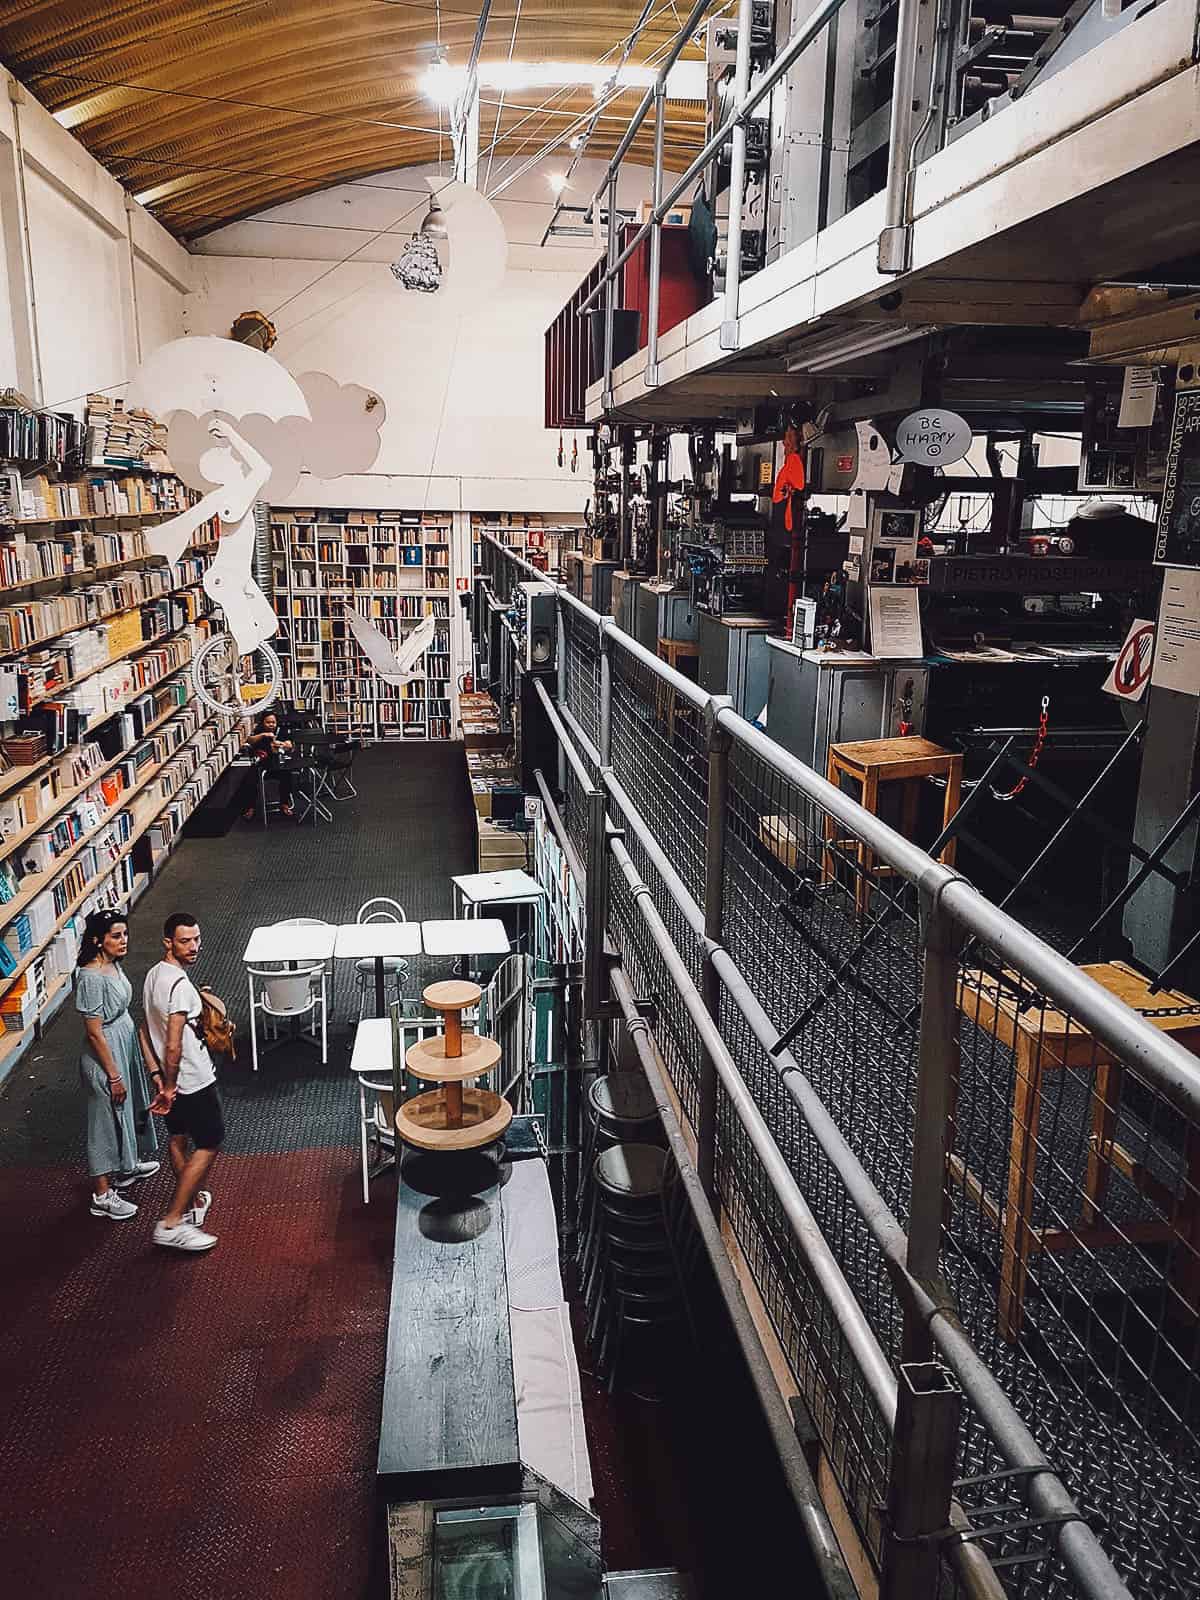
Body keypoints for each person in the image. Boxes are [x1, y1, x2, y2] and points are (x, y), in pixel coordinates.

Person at [144, 913, 222, 1253]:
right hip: (192, 1080)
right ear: (168, 942)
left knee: (177, 1140)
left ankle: (190, 1206)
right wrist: (172, 1084)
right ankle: (173, 1221)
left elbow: (144, 1030)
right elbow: (173, 1042)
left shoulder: (152, 978)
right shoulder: (180, 988)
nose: (193, 947)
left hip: (171, 1080)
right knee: (209, 1142)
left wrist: (157, 1077)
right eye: (185, 941)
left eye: (197, 939)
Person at [75, 909, 161, 1221]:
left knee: (128, 1108)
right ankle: (101, 1196)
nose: (124, 941)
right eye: (116, 936)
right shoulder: (90, 976)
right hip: (105, 1055)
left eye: (125, 934)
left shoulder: (111, 964)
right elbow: (94, 1032)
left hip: (122, 1043)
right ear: (98, 940)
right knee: (104, 1123)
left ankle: (127, 1167)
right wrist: (113, 1075)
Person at [239, 708, 295, 820]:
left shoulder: (281, 731)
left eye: (273, 722)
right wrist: (263, 735)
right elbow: (248, 740)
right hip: (261, 765)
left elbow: (290, 744)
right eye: (268, 722)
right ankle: (250, 807)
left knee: (288, 775)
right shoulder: (258, 731)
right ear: (263, 723)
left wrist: (282, 744)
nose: (271, 725)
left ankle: (284, 803)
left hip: (277, 763)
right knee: (249, 779)